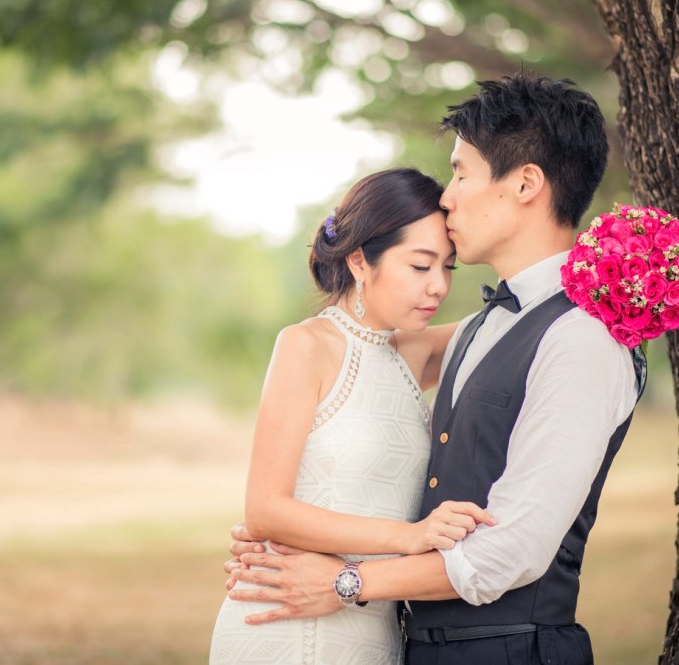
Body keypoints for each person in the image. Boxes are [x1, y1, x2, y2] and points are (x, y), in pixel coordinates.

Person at [225, 75, 646, 665]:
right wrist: (281, 530)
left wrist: (346, 580)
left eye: (461, 172)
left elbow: (515, 548)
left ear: (526, 182)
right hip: (395, 640)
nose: (447, 196)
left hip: (506, 649)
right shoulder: (478, 328)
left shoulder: (579, 336)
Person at [209, 167, 497, 664]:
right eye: (420, 266)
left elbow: (522, 318)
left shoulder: (417, 351)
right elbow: (265, 510)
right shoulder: (307, 345)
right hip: (285, 627)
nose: (439, 288)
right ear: (361, 259)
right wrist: (409, 537)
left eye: (449, 268)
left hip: (371, 624)